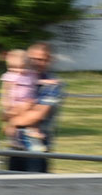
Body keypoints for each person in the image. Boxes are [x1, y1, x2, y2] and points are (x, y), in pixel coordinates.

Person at [7, 42, 65, 172]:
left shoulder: (52, 85)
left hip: (36, 148)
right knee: (10, 182)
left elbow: (36, 115)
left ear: (50, 60)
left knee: (35, 182)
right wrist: (13, 113)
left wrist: (12, 122)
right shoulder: (20, 78)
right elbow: (4, 113)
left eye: (41, 59)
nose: (36, 63)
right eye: (32, 59)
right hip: (15, 145)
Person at [0, 49, 42, 147]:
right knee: (13, 124)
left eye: (22, 67)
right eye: (14, 68)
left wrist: (48, 82)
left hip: (28, 102)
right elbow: (6, 90)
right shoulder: (10, 76)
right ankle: (13, 140)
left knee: (32, 118)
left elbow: (37, 82)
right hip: (15, 103)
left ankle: (33, 133)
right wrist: (6, 103)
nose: (19, 71)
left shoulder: (31, 74)